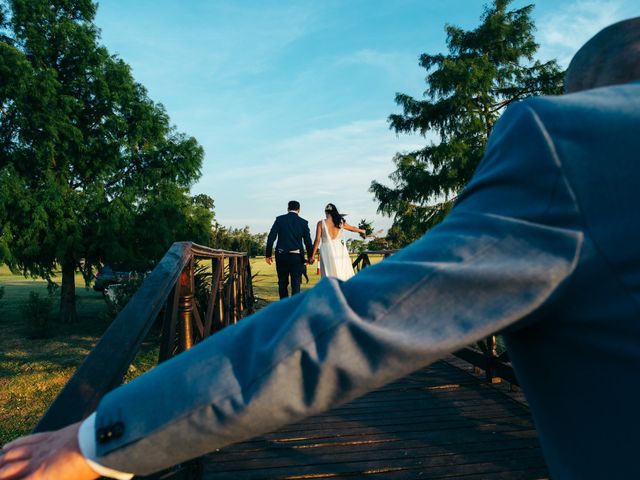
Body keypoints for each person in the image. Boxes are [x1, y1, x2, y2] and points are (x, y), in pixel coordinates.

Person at [2, 18, 640, 480]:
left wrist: (96, 439)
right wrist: (317, 250)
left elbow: (359, 321)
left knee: (301, 292)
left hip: (311, 269)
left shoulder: (572, 136)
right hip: (308, 261)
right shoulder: (310, 222)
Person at [264, 200, 314, 299]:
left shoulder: (279, 220)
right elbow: (308, 241)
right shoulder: (303, 223)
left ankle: (283, 306)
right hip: (297, 257)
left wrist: (268, 255)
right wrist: (310, 256)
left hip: (282, 256)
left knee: (282, 283)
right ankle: (294, 308)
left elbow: (271, 238)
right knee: (296, 283)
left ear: (287, 209)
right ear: (299, 210)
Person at [309, 203, 366, 281]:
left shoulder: (321, 223)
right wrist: (362, 230)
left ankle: (331, 289)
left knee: (328, 272)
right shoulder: (340, 222)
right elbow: (352, 228)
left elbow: (317, 240)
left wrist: (312, 256)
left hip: (326, 250)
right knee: (342, 270)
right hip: (339, 249)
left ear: (326, 212)